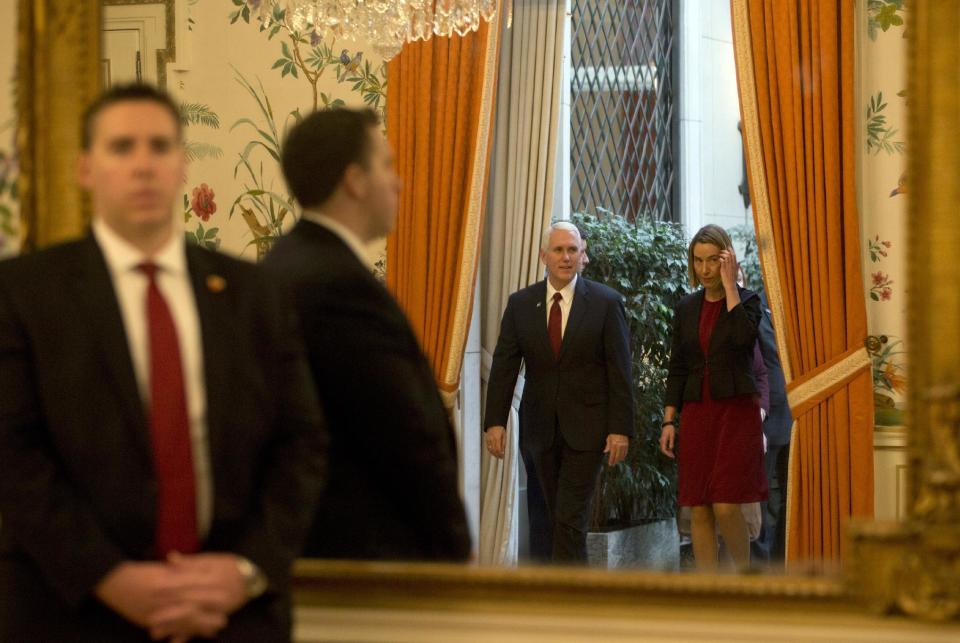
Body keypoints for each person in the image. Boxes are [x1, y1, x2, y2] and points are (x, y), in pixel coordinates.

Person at [0, 83, 328, 641]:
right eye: (122, 147)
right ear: (86, 168)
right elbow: (11, 452)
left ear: (182, 165)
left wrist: (245, 571)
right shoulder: (23, 293)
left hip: (234, 615)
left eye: (160, 147)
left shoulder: (256, 295)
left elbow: (302, 443)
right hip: (70, 611)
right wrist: (109, 577)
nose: (144, 165)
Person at [263, 107, 471, 561]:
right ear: (355, 181)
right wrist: (454, 552)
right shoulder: (335, 284)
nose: (398, 182)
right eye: (387, 165)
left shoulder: (290, 262)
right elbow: (403, 438)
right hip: (373, 558)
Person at [484, 221, 634, 564]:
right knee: (545, 520)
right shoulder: (521, 304)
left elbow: (620, 371)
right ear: (544, 257)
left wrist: (620, 428)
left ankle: (573, 604)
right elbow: (505, 365)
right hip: (539, 431)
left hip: (587, 432)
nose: (566, 257)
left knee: (569, 519)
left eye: (572, 250)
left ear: (583, 256)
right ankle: (544, 598)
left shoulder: (606, 303)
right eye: (558, 250)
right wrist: (496, 422)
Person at [659, 224, 767, 571]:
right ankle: (710, 590)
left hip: (736, 413)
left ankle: (743, 576)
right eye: (698, 261)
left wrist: (732, 287)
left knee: (725, 504)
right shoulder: (686, 307)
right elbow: (678, 366)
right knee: (700, 506)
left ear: (727, 260)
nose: (704, 270)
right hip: (697, 412)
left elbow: (742, 341)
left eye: (712, 261)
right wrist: (668, 419)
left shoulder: (749, 302)